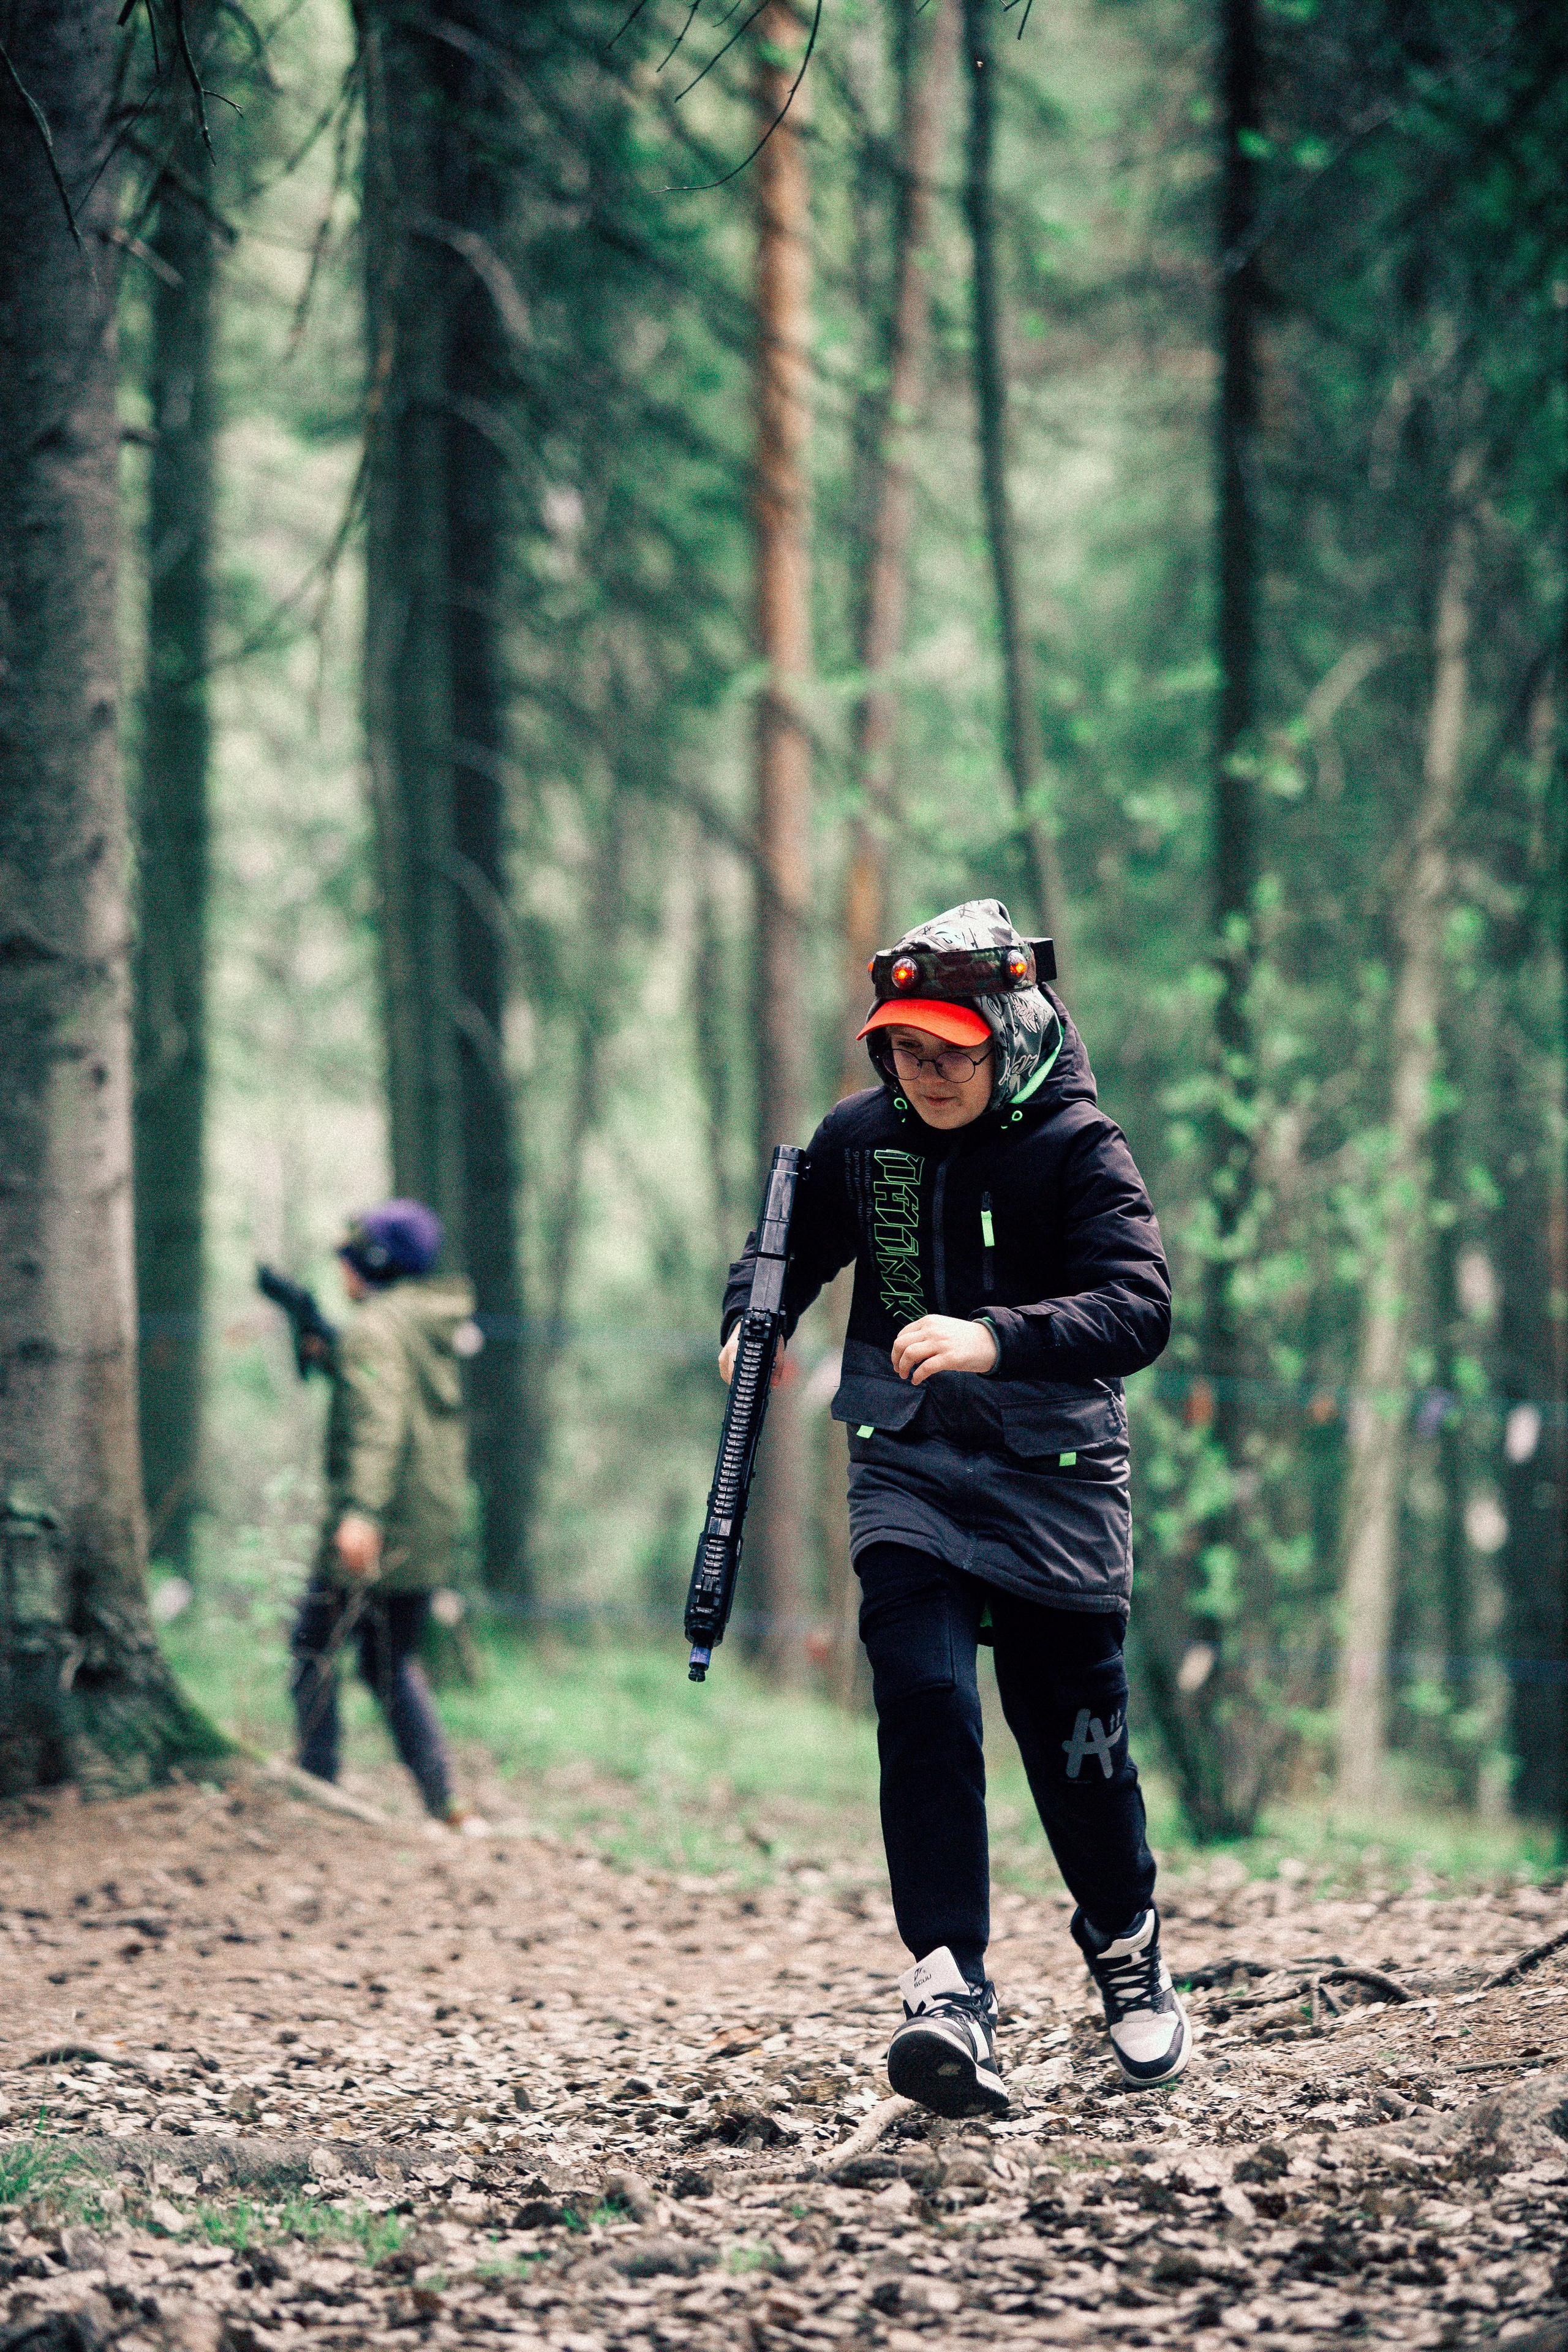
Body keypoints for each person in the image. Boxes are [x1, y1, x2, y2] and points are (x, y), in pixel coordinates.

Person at [718, 899, 1185, 2117]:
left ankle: (1124, 1944)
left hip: (1056, 1480)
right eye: (903, 1049)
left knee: (1074, 1750)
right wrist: (748, 1326)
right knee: (922, 1706)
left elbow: (1137, 1310)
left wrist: (995, 1338)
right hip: (904, 1464)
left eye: (950, 1050)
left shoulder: (1080, 1148)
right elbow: (790, 1251)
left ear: (1009, 1035)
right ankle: (948, 1987)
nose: (922, 1073)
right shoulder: (857, 1136)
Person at [290, 1199, 474, 1826]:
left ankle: (318, 1787)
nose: (340, 1268)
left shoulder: (375, 1328)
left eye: (348, 1255)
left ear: (371, 1262)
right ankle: (442, 1798)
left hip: (382, 1521)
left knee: (313, 1649)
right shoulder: (418, 1322)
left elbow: (379, 1421)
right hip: (425, 1518)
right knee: (389, 1661)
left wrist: (361, 1512)